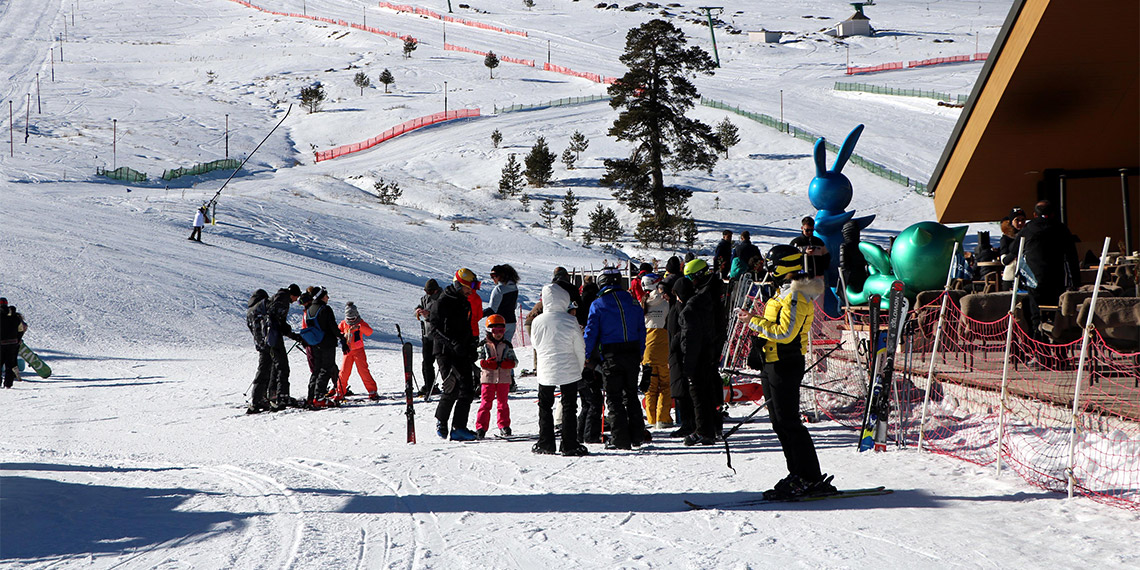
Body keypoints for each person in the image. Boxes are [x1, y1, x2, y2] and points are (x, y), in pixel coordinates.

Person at [736, 245, 835, 499]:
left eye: (771, 264)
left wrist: (753, 322)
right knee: (778, 423)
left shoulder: (795, 295)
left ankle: (809, 477)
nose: (767, 268)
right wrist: (759, 343)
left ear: (783, 266)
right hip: (773, 361)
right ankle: (797, 473)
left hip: (786, 363)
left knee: (789, 422)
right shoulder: (781, 293)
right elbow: (774, 329)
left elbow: (785, 333)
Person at [583, 267, 647, 450]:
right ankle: (637, 435)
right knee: (631, 395)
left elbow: (591, 333)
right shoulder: (633, 301)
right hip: (633, 352)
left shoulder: (598, 303)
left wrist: (586, 356)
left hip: (612, 354)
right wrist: (641, 351)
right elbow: (641, 329)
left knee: (614, 397)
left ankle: (620, 438)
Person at [531, 284, 589, 455]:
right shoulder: (570, 320)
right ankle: (569, 444)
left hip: (546, 368)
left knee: (545, 406)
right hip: (569, 368)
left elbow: (535, 344)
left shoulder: (537, 321)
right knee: (569, 406)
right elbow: (580, 347)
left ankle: (545, 443)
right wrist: (579, 368)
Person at [679, 259, 727, 446]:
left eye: (690, 278)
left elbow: (690, 337)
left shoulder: (697, 302)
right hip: (712, 349)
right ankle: (714, 427)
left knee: (699, 393)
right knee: (709, 390)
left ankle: (704, 430)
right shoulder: (716, 292)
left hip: (701, 352)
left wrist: (687, 365)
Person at [430, 268, 480, 441]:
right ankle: (441, 420)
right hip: (445, 352)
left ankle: (459, 428)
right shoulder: (443, 301)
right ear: (460, 284)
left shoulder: (464, 302)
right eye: (469, 286)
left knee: (467, 389)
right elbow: (434, 330)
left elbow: (467, 327)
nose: (471, 290)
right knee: (452, 388)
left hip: (462, 351)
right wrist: (453, 343)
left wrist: (472, 344)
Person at [1018, 200, 1080, 334]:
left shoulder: (1028, 229)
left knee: (1036, 313)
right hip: (1056, 277)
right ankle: (1059, 347)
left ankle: (1039, 345)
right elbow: (1072, 256)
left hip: (1034, 278)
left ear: (1034, 214)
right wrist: (1075, 281)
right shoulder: (1061, 228)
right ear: (1053, 214)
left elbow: (1014, 249)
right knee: (1057, 312)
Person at [301, 287, 348, 409]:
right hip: (327, 343)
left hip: (315, 343)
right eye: (326, 296)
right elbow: (332, 326)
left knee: (316, 370)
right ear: (321, 296)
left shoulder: (310, 309)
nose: (328, 298)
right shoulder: (325, 309)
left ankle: (311, 397)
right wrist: (342, 338)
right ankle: (320, 397)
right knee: (326, 368)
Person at [475, 314, 517, 439]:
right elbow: (477, 359)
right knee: (486, 403)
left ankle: (504, 425)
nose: (498, 334)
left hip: (504, 378)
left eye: (501, 330)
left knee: (503, 403)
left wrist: (509, 364)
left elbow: (515, 361)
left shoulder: (507, 345)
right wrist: (484, 363)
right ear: (489, 331)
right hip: (488, 378)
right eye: (495, 331)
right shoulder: (483, 345)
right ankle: (481, 427)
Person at [640, 273, 672, 429]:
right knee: (666, 385)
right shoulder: (666, 303)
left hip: (647, 349)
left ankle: (651, 419)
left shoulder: (643, 303)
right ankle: (663, 418)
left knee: (650, 387)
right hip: (663, 348)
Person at [666, 276, 695, 437]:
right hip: (678, 353)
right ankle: (687, 422)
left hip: (679, 353)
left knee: (683, 391)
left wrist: (673, 346)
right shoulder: (681, 306)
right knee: (682, 391)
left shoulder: (680, 308)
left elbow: (676, 333)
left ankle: (687, 423)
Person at [266, 284, 303, 410]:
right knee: (283, 367)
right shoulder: (283, 300)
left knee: (276, 366)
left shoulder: (278, 297)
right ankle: (282, 396)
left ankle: (272, 394)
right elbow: (278, 321)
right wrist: (290, 333)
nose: (295, 300)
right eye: (296, 297)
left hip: (270, 337)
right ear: (293, 294)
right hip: (274, 336)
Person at [336, 301, 379, 402]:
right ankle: (340, 391)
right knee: (344, 371)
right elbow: (338, 332)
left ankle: (372, 391)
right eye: (349, 319)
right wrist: (343, 336)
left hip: (359, 350)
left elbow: (369, 332)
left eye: (353, 319)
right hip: (348, 351)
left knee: (363, 371)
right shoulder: (343, 323)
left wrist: (360, 327)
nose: (351, 321)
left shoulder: (360, 322)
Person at [245, 289, 273, 413]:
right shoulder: (258, 310)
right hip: (265, 344)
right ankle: (258, 398)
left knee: (264, 369)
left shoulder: (250, 311)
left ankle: (261, 397)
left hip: (259, 344)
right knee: (264, 371)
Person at [414, 279, 443, 398]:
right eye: (426, 291)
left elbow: (443, 315)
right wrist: (418, 310)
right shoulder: (425, 298)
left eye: (430, 291)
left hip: (439, 336)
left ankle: (449, 385)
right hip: (427, 335)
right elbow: (420, 305)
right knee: (426, 362)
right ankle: (429, 386)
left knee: (443, 362)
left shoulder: (442, 298)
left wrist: (429, 315)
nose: (428, 293)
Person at [483, 265, 520, 344]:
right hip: (512, 322)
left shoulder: (499, 289)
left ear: (502, 275)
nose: (492, 278)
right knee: (506, 347)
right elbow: (514, 306)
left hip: (498, 323)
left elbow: (492, 309)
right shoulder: (514, 287)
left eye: (494, 275)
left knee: (494, 348)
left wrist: (477, 315)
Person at [0, 298, 28, 389]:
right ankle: (8, 384)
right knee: (10, 364)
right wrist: (18, 339)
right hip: (13, 344)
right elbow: (22, 328)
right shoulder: (15, 316)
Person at [999, 207, 1028, 291]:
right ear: (1011, 221)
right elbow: (1004, 260)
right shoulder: (1006, 238)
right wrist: (1014, 253)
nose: (1020, 223)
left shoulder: (1028, 235)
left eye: (1023, 220)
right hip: (1011, 277)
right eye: (1017, 220)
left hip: (1028, 277)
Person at [839, 220, 868, 301]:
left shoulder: (844, 246)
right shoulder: (861, 246)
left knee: (842, 305)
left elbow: (843, 265)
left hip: (849, 279)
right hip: (861, 277)